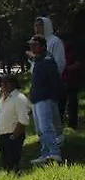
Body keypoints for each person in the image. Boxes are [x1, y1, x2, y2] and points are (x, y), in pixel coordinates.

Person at [28, 35, 63, 165]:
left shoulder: (47, 60)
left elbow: (55, 81)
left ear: (42, 46)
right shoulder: (37, 60)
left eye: (35, 45)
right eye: (31, 45)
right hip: (36, 98)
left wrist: (54, 97)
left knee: (46, 126)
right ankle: (45, 153)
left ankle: (54, 152)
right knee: (39, 129)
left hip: (45, 98)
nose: (32, 47)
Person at [0, 73, 30, 172]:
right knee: (7, 166)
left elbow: (23, 121)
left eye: (3, 83)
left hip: (13, 136)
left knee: (14, 164)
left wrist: (13, 137)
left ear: (10, 84)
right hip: (2, 136)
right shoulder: (3, 98)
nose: (1, 86)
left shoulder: (19, 98)